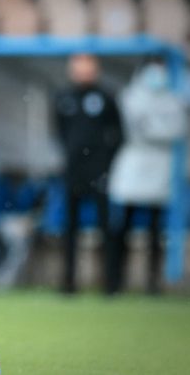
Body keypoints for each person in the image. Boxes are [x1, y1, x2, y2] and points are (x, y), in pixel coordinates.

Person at [108, 61, 187, 294]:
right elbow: (138, 128)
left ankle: (153, 282)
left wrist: (154, 127)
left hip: (161, 169)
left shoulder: (173, 99)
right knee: (124, 226)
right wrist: (158, 127)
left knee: (156, 230)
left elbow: (177, 129)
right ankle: (116, 281)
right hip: (134, 165)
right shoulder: (130, 96)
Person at [54, 53, 123, 294]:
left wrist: (104, 162)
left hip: (100, 171)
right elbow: (59, 131)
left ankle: (111, 284)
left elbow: (118, 134)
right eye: (78, 68)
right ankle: (68, 283)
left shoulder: (105, 97)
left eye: (87, 68)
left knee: (107, 227)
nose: (82, 72)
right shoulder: (63, 97)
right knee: (70, 229)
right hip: (73, 171)